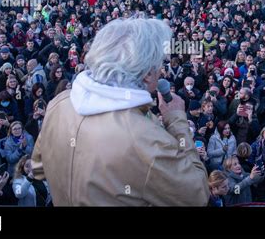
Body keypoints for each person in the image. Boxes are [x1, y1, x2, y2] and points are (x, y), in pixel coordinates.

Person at [31, 18, 209, 206]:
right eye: (159, 65)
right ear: (147, 74)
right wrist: (177, 121)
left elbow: (38, 169)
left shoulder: (59, 102)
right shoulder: (146, 138)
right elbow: (196, 196)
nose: (161, 71)